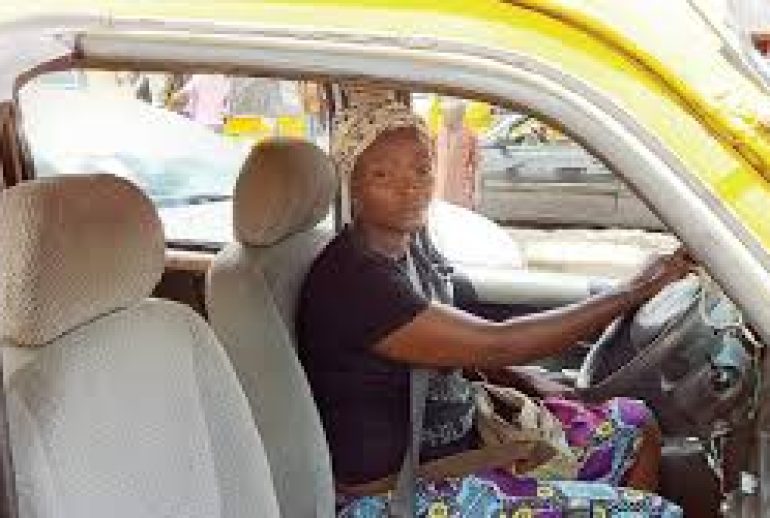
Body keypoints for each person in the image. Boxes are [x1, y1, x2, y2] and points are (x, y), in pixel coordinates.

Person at [297, 97, 687, 516]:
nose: (409, 186)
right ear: (351, 185)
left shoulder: (408, 249)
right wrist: (632, 291)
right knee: (651, 512)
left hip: (461, 444)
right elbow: (494, 343)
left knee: (634, 424)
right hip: (396, 493)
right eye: (382, 174)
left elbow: (457, 349)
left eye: (421, 169)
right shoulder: (354, 280)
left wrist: (529, 385)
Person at [434, 99, 479, 210]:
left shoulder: (470, 135)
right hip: (438, 193)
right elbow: (432, 161)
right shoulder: (439, 133)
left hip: (460, 194)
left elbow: (476, 167)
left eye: (447, 113)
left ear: (459, 115)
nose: (444, 116)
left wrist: (476, 193)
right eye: (444, 113)